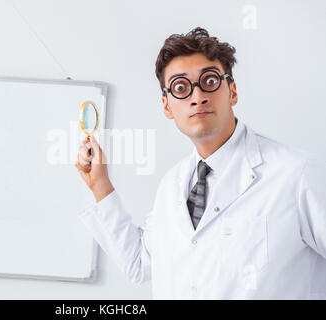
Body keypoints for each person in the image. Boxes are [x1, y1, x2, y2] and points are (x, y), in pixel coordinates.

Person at [74, 27, 326, 299]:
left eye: (209, 81)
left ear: (232, 92)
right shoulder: (172, 185)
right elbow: (140, 263)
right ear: (167, 107)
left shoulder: (296, 174)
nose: (198, 97)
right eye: (181, 87)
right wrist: (100, 185)